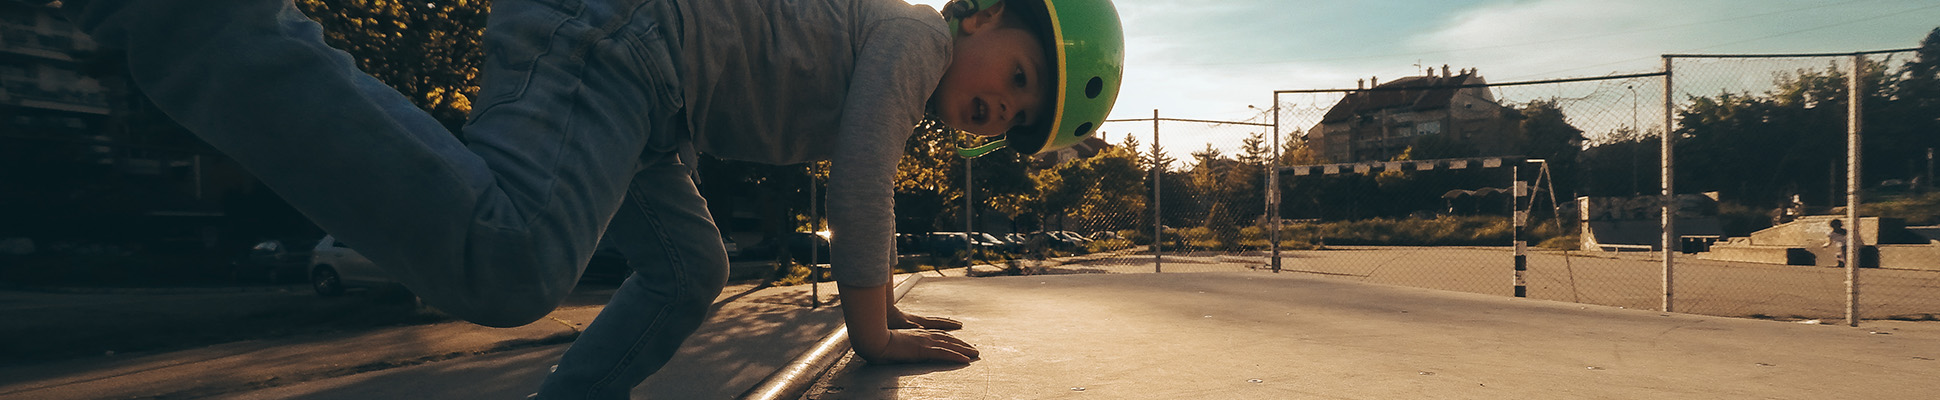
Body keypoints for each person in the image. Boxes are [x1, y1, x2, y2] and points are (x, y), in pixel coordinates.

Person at [39, 0, 1123, 397]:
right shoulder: (914, 37)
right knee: (510, 260)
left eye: (1008, 126)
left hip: (654, 106)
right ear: (980, 16)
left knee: (691, 267)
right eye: (1014, 78)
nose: (991, 110)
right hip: (615, 38)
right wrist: (873, 327)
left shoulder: (902, 49)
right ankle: (199, 21)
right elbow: (860, 179)